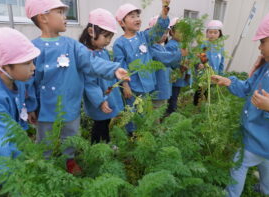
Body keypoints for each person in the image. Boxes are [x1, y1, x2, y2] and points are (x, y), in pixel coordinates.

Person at [25, 0, 129, 174]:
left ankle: (69, 159)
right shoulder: (33, 48)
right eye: (60, 12)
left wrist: (113, 69)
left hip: (70, 104)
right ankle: (44, 165)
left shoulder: (72, 45)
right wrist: (30, 106)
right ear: (43, 17)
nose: (65, 17)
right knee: (45, 140)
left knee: (71, 135)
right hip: (45, 108)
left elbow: (92, 62)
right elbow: (28, 80)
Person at [211, 11, 269, 197]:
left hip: (261, 136)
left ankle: (231, 194)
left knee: (238, 164)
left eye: (263, 42)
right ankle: (268, 189)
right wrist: (229, 81)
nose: (259, 48)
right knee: (265, 162)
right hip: (261, 139)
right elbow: (247, 87)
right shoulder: (267, 67)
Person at [0, 27, 40, 197]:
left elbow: (20, 112)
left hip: (6, 157)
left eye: (32, 61)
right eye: (27, 63)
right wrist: (19, 186)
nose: (33, 67)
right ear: (2, 67)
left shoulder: (16, 80)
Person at [113, 0, 170, 134]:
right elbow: (121, 66)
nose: (137, 19)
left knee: (146, 112)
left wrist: (163, 12)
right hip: (133, 88)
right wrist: (125, 85)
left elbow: (157, 31)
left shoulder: (144, 36)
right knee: (132, 113)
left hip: (148, 85)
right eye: (132, 16)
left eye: (137, 16)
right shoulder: (119, 44)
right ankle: (132, 137)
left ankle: (145, 135)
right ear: (122, 23)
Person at [79, 8, 124, 144]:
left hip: (108, 93)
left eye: (111, 37)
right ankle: (96, 147)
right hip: (98, 98)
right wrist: (99, 100)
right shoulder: (86, 55)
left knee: (106, 121)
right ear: (91, 32)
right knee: (100, 123)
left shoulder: (103, 51)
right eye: (106, 36)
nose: (108, 41)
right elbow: (89, 83)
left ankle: (105, 143)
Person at [165, 17, 191, 114]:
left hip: (178, 77)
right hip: (172, 78)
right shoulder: (171, 45)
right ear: (172, 32)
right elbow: (169, 61)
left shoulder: (183, 44)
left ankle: (171, 113)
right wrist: (180, 65)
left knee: (174, 97)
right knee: (171, 99)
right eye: (181, 31)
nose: (183, 34)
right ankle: (169, 115)